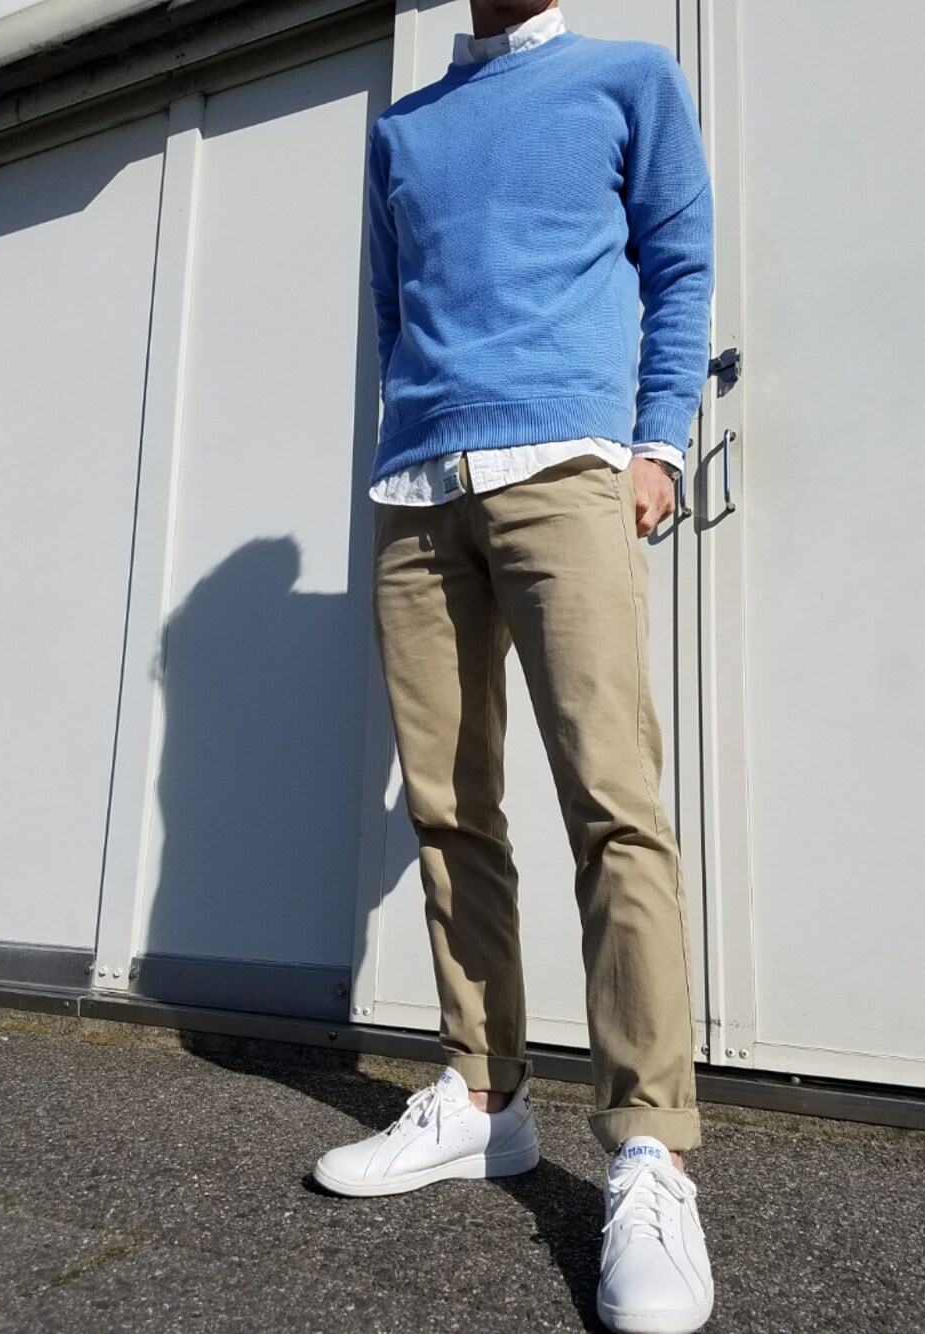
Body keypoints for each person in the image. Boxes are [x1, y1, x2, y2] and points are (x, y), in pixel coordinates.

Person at [314, 3, 715, 1330]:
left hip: (565, 467)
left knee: (614, 804)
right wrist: (402, 442)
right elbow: (395, 308)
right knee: (450, 812)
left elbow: (680, 259)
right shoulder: (405, 130)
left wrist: (657, 441)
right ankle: (485, 1097)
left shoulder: (627, 79)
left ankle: (650, 1147)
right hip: (419, 491)